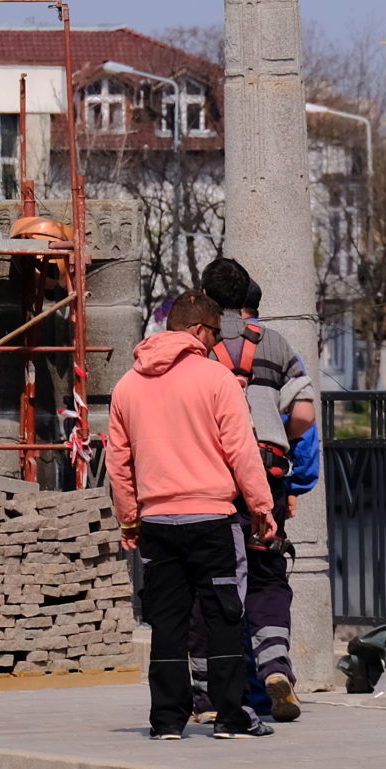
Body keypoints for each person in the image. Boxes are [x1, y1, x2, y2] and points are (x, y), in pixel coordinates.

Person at [105, 290, 279, 739]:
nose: (217, 343)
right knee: (224, 616)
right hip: (212, 520)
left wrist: (129, 518)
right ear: (199, 330)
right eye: (216, 334)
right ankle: (230, 716)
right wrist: (261, 507)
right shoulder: (217, 380)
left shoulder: (127, 386)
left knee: (167, 621)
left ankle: (166, 720)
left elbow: (118, 463)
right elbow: (241, 450)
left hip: (157, 523)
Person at [200, 257, 318, 721]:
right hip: (268, 473)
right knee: (267, 573)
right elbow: (305, 415)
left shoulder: (202, 345)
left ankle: (207, 691)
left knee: (214, 578)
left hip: (215, 476)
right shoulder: (275, 343)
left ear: (205, 297)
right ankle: (275, 667)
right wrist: (279, 441)